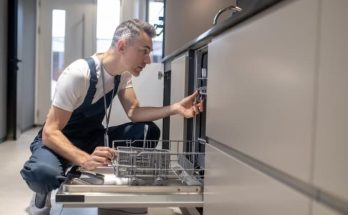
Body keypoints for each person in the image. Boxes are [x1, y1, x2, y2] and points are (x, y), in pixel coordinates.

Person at [20, 19, 203, 215]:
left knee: (147, 130)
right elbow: (50, 132)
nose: (148, 60)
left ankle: (124, 187)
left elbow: (135, 113)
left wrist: (174, 108)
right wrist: (83, 159)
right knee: (43, 174)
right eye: (145, 51)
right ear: (122, 46)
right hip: (57, 141)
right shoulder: (78, 74)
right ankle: (42, 192)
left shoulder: (122, 75)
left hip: (92, 138)